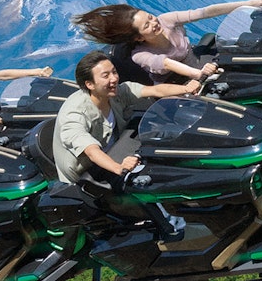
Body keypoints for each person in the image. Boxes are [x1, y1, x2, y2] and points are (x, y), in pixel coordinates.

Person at [53, 50, 200, 185]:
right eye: (106, 76)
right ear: (89, 84)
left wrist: (186, 89)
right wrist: (119, 168)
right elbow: (91, 151)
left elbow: (154, 90)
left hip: (117, 149)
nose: (114, 78)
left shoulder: (116, 92)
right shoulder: (74, 115)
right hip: (88, 172)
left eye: (114, 72)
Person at [72, 0, 262, 84]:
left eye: (150, 17)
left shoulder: (166, 20)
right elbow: (169, 64)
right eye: (147, 26)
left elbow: (205, 12)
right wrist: (199, 74)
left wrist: (251, 3)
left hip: (199, 62)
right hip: (180, 82)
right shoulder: (140, 55)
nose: (154, 23)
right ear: (138, 37)